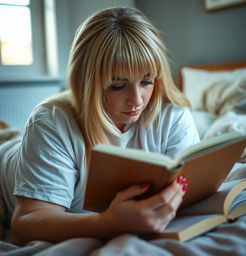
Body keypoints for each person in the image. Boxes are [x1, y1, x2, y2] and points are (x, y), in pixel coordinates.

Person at [0, 7, 199, 244]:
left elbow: (192, 192)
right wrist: (107, 223)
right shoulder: (51, 121)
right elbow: (27, 221)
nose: (137, 100)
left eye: (147, 81)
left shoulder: (173, 114)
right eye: (117, 86)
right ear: (86, 81)